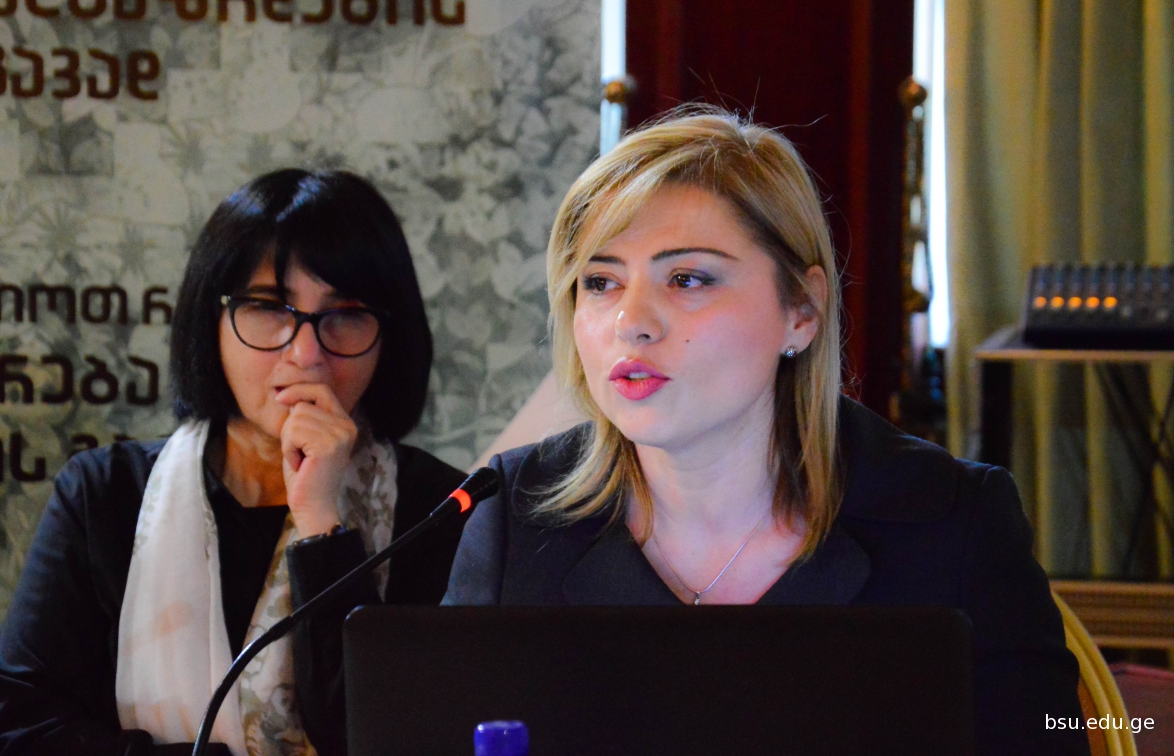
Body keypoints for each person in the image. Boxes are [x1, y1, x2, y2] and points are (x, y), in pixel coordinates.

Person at [443, 110, 1090, 755]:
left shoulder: (955, 522)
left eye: (687, 279)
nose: (631, 321)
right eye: (601, 282)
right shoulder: (512, 516)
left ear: (802, 310)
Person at [0, 170, 467, 756]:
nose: (306, 353)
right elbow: (19, 727)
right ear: (211, 321)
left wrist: (321, 523)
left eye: (346, 313)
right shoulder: (105, 495)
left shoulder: (443, 510)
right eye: (269, 307)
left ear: (389, 337)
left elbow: (392, 737)